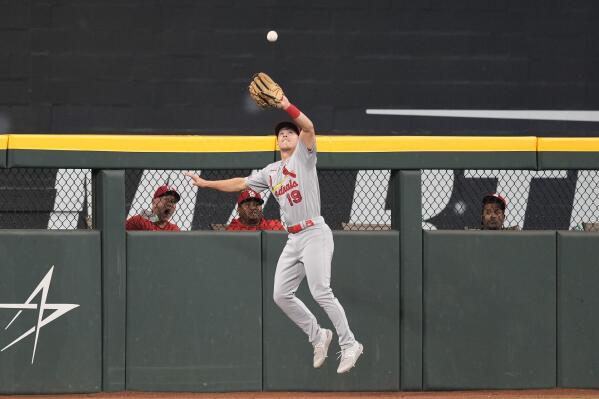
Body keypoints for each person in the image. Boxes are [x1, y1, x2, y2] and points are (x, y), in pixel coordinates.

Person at [185, 91, 363, 374]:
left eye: (289, 132)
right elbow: (241, 183)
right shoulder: (271, 172)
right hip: (294, 238)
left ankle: (350, 342)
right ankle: (319, 335)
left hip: (315, 231)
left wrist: (285, 106)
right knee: (281, 294)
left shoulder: (304, 156)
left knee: (320, 290)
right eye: (281, 133)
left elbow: (309, 126)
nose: (285, 135)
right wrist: (206, 184)